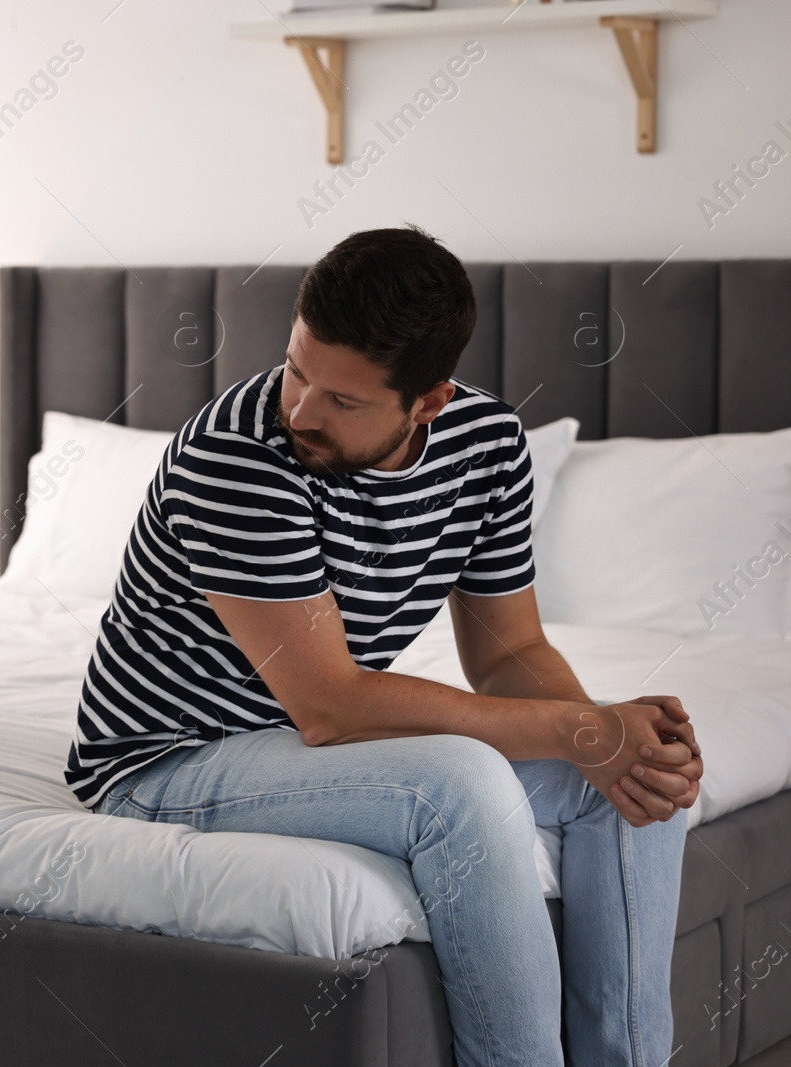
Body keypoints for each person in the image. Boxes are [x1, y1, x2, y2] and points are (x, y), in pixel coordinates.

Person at [65, 225, 703, 1067]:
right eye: (298, 370)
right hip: (165, 759)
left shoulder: (486, 446)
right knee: (460, 783)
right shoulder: (235, 457)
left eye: (343, 400)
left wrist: (612, 736)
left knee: (640, 771)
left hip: (295, 739)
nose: (301, 409)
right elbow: (330, 706)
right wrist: (580, 729)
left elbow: (510, 654)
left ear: (429, 401)